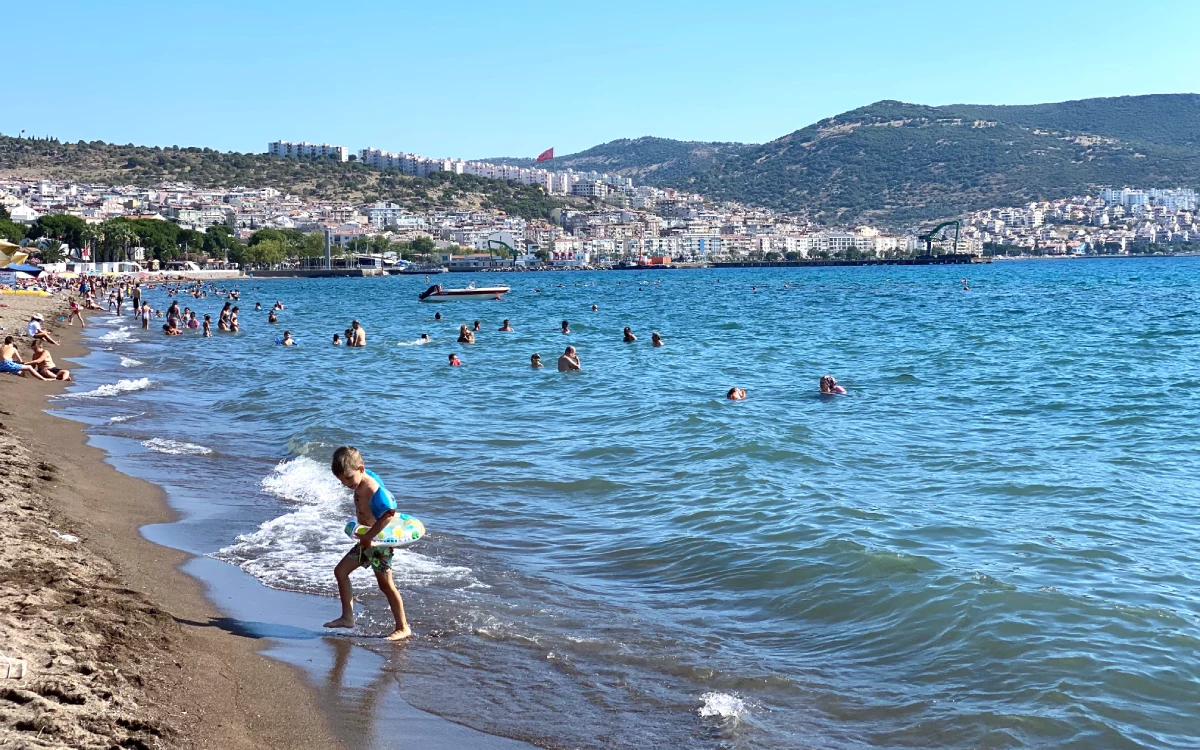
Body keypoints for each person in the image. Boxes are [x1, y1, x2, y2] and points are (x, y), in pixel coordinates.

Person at [323, 446, 412, 641]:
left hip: (378, 545)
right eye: (341, 480)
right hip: (366, 542)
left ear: (361, 469)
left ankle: (403, 627)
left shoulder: (372, 488)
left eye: (348, 478)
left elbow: (389, 514)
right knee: (340, 572)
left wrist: (369, 536)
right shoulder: (360, 477)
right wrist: (365, 537)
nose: (346, 484)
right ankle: (347, 617)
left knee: (386, 585)